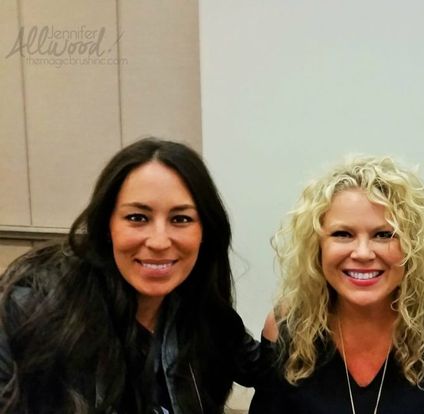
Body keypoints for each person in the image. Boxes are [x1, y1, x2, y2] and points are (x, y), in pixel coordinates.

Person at [0, 138, 260, 413]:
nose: (159, 242)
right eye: (137, 217)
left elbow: (275, 372)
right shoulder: (32, 309)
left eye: (181, 219)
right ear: (107, 224)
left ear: (205, 232)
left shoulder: (204, 314)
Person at [250, 156, 424, 414]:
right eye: (342, 234)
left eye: (384, 235)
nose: (362, 253)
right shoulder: (286, 326)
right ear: (317, 247)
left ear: (411, 246)